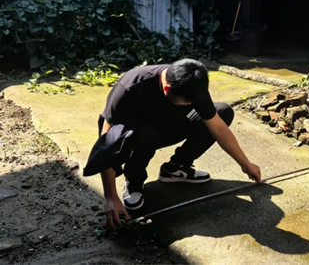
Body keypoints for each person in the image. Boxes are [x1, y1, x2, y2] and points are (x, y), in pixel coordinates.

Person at [83, 59, 262, 230]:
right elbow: (107, 143)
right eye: (187, 102)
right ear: (167, 88)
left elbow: (218, 127)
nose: (191, 104)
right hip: (141, 135)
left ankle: (176, 168)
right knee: (147, 135)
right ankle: (133, 182)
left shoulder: (193, 83)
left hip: (169, 125)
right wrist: (111, 197)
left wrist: (246, 164)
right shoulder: (129, 89)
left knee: (222, 112)